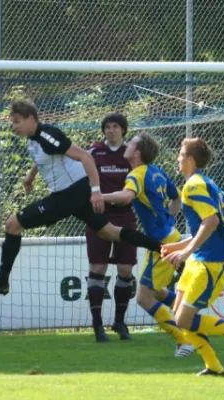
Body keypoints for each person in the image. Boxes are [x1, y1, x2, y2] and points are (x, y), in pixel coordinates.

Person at [0, 99, 162, 297]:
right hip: (73, 193)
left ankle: (1, 282)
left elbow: (85, 157)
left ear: (31, 119)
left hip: (70, 194)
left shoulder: (48, 135)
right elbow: (47, 157)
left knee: (13, 224)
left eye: (17, 121)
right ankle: (164, 250)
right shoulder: (34, 137)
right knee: (111, 232)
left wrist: (96, 191)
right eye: (12, 122)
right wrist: (31, 175)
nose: (14, 127)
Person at [162, 137, 224, 376]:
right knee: (179, 315)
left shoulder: (194, 185)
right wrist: (178, 247)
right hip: (199, 258)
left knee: (184, 320)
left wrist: (185, 251)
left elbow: (212, 222)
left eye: (181, 154)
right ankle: (213, 367)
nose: (178, 158)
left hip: (211, 262)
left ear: (191, 160)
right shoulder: (205, 183)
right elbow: (203, 229)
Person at [102, 132, 194, 357]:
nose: (126, 144)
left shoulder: (137, 174)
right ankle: (195, 324)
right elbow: (177, 197)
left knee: (144, 297)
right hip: (170, 236)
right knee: (159, 292)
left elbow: (125, 197)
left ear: (137, 152)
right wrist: (167, 218)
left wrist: (97, 196)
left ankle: (184, 341)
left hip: (162, 243)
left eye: (130, 142)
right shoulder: (157, 172)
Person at [85, 113, 138, 342]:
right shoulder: (94, 152)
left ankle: (120, 321)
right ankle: (98, 325)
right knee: (98, 267)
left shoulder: (132, 155)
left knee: (125, 270)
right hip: (98, 217)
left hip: (126, 217)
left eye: (115, 126)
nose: (111, 130)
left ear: (123, 130)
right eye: (107, 127)